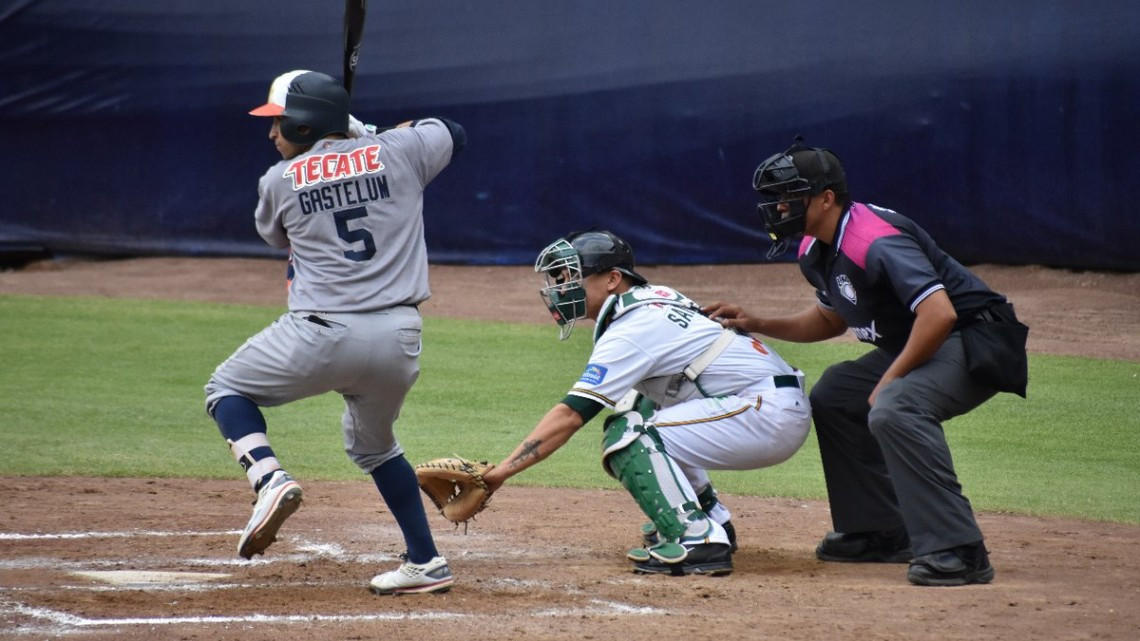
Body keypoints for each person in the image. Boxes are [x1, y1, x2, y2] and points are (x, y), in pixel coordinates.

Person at [704, 138, 1028, 586]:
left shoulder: (872, 239)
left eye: (788, 196)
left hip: (976, 338)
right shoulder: (814, 248)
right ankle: (879, 531)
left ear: (826, 198)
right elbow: (830, 318)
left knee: (896, 406)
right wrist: (758, 321)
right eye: (775, 198)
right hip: (933, 338)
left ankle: (960, 548)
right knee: (836, 394)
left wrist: (889, 380)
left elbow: (939, 314)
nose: (779, 208)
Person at [203, 69, 466, 595]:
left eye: (278, 123)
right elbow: (452, 129)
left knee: (226, 390)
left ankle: (269, 478)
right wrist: (371, 137)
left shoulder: (277, 181)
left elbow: (275, 236)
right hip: (399, 340)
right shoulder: (400, 151)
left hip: (318, 334)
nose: (271, 133)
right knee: (377, 448)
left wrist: (343, 150)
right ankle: (426, 562)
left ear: (303, 125)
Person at [480, 230, 812, 576]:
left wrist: (500, 474)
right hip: (765, 403)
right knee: (637, 405)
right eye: (560, 279)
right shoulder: (654, 298)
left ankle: (698, 539)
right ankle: (710, 517)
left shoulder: (631, 329)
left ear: (612, 279)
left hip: (763, 412)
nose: (562, 289)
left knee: (630, 435)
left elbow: (570, 416)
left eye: (571, 277)